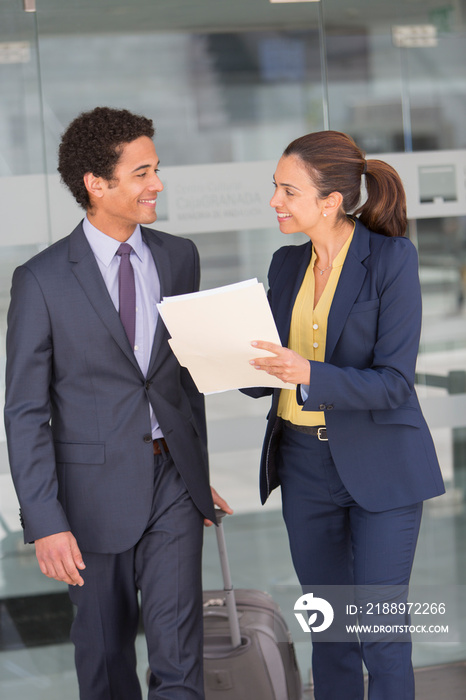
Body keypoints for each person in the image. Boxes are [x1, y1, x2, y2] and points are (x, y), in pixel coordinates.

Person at [4, 106, 231, 700]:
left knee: (180, 658)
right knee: (104, 661)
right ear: (96, 185)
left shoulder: (180, 256)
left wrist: (197, 473)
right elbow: (24, 410)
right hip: (88, 499)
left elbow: (183, 380)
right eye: (141, 173)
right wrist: (46, 521)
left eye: (156, 169)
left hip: (173, 487)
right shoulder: (41, 280)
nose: (157, 184)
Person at [245, 131, 445, 699]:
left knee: (379, 633)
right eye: (275, 188)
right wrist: (222, 357)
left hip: (382, 464)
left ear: (331, 200)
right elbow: (272, 374)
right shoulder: (285, 265)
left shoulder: (391, 259)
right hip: (305, 466)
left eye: (288, 190)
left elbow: (394, 385)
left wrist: (306, 372)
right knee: (328, 632)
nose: (275, 201)